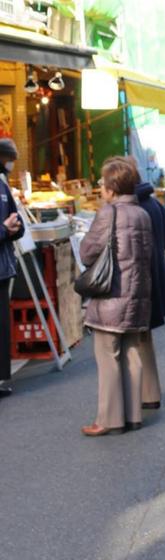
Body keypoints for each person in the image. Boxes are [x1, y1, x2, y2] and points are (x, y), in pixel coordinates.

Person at [80, 157, 152, 436]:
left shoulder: (108, 213)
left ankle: (109, 419)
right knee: (132, 352)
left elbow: (87, 252)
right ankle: (133, 415)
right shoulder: (142, 214)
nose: (100, 189)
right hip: (137, 296)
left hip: (111, 296)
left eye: (102, 183)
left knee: (108, 355)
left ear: (111, 187)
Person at [135, 169, 165, 411]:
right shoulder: (155, 204)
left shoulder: (131, 211)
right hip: (157, 278)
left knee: (132, 342)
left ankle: (135, 399)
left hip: (138, 284)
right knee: (144, 339)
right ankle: (149, 393)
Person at [0, 138, 24, 399]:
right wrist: (5, 229)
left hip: (4, 266)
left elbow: (18, 224)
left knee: (2, 324)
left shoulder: (3, 187)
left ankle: (2, 378)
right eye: (8, 159)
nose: (10, 165)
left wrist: (15, 228)